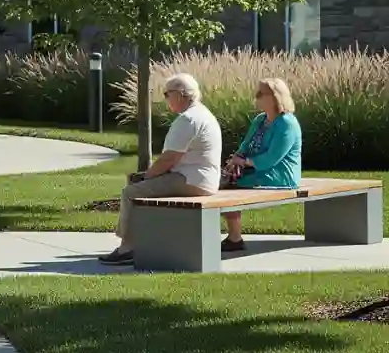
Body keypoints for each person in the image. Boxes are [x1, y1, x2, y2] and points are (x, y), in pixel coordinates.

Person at [100, 73, 222, 265]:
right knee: (140, 183)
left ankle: (127, 248)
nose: (165, 98)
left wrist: (146, 176)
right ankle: (139, 242)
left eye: (167, 94)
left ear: (181, 94)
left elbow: (169, 159)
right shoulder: (203, 114)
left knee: (131, 191)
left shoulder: (188, 119)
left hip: (190, 180)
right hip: (202, 179)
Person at [221, 77, 303, 252]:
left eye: (261, 93)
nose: (256, 96)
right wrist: (236, 159)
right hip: (254, 169)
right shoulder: (260, 119)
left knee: (229, 186)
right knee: (222, 179)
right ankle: (232, 236)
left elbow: (272, 158)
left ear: (275, 97)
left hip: (280, 174)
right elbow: (246, 144)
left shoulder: (286, 123)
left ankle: (234, 238)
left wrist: (244, 163)